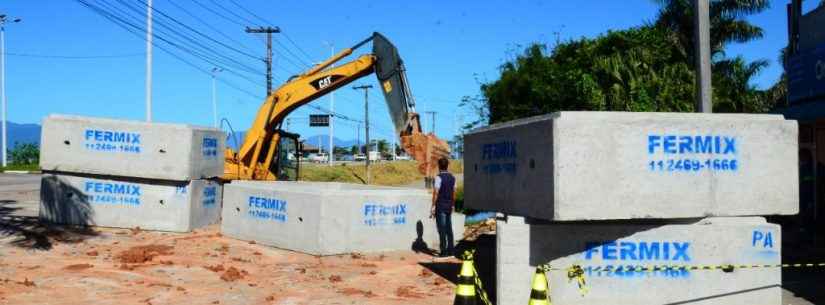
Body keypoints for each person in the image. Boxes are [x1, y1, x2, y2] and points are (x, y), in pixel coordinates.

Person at [431, 157, 455, 258]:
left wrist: (433, 206)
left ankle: (443, 251)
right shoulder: (453, 178)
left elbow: (436, 193)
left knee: (442, 229)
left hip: (440, 206)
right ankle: (451, 250)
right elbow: (454, 193)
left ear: (439, 166)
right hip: (449, 205)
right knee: (449, 229)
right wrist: (453, 205)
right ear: (447, 166)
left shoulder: (438, 178)